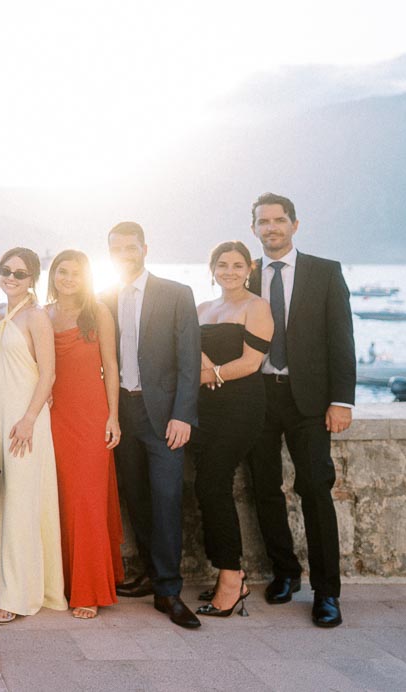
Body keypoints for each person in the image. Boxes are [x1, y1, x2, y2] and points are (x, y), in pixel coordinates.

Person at [244, 193, 355, 629]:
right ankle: (285, 573)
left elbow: (341, 339)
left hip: (308, 400)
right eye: (263, 222)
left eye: (278, 220)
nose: (271, 228)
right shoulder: (245, 274)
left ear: (294, 224)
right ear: (253, 228)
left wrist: (341, 400)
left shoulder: (325, 272)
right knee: (264, 488)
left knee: (314, 488)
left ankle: (327, 592)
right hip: (258, 397)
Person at [100, 221, 202, 630]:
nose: (124, 254)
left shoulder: (176, 294)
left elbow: (189, 360)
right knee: (136, 498)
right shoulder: (103, 297)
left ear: (144, 248)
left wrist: (183, 414)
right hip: (122, 412)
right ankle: (146, 574)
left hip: (163, 417)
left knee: (166, 500)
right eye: (116, 249)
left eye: (130, 247)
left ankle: (169, 590)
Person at [0, 247, 66, 624]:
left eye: (20, 272)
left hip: (24, 420)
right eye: (5, 270)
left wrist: (29, 418)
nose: (11, 277)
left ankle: (16, 596)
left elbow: (48, 374)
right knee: (1, 497)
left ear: (33, 278)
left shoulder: (36, 317)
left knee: (22, 503)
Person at [192, 241, 273, 618]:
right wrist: (204, 362)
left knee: (212, 484)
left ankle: (232, 578)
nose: (229, 271)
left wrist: (214, 373)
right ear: (212, 269)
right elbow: (189, 347)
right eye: (222, 264)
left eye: (237, 265)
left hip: (241, 408)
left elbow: (252, 362)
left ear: (249, 269)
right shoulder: (203, 308)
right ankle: (227, 572)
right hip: (204, 410)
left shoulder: (256, 307)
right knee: (207, 486)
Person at [44, 250, 123, 620]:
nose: (68, 278)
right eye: (62, 271)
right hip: (54, 417)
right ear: (53, 274)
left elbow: (112, 367)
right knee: (59, 500)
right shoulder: (43, 315)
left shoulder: (99, 313)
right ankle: (60, 581)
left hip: (92, 418)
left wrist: (114, 418)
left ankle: (89, 589)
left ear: (86, 277)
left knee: (88, 501)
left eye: (76, 273)